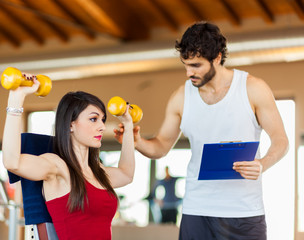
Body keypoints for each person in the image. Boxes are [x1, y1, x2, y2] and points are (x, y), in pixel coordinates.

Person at [114, 21, 288, 239]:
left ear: (216, 58)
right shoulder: (181, 97)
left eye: (196, 65)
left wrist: (263, 164)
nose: (188, 72)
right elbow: (161, 146)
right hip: (196, 211)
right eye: (185, 64)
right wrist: (137, 141)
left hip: (243, 213)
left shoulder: (253, 88)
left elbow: (281, 140)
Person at [2, 76, 135, 240]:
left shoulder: (98, 172)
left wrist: (128, 127)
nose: (102, 126)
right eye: (93, 119)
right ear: (70, 124)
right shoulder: (58, 168)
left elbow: (126, 174)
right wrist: (16, 98)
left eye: (102, 120)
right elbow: (12, 162)